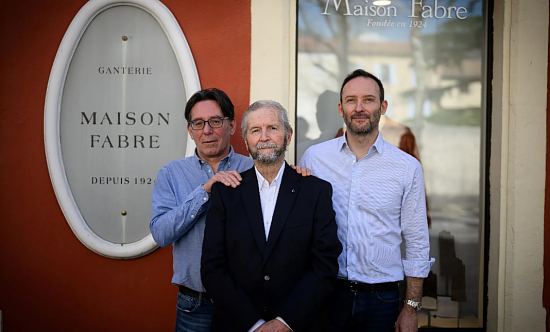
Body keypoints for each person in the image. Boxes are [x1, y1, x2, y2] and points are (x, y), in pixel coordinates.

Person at [299, 69, 434, 332]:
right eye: (351, 100)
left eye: (368, 100)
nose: (359, 108)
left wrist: (410, 308)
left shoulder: (407, 168)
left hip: (382, 300)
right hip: (327, 294)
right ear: (341, 108)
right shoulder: (314, 159)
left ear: (383, 107)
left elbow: (418, 241)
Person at [201, 100, 342, 332]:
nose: (264, 137)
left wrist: (284, 322)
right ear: (246, 141)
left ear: (288, 135)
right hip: (239, 325)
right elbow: (212, 268)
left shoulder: (316, 191)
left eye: (273, 128)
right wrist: (254, 324)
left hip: (299, 324)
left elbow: (324, 266)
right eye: (255, 130)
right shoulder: (225, 193)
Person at [150, 88, 253, 332]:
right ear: (189, 130)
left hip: (247, 300)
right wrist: (205, 191)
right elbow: (161, 233)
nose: (207, 131)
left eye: (215, 121)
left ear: (231, 125)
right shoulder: (171, 174)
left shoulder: (253, 169)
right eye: (198, 123)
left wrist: (300, 175)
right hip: (195, 303)